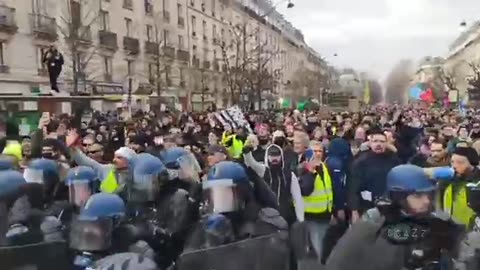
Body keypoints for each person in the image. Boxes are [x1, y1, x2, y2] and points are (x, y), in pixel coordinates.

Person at [326, 164, 462, 270]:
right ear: (399, 197)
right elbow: (339, 262)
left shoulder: (436, 223)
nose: (426, 200)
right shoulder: (373, 223)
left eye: (428, 194)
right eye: (418, 196)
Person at [348, 128, 401, 223]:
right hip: (367, 207)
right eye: (375, 141)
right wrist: (354, 211)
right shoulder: (360, 162)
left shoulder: (394, 160)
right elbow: (353, 188)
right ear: (370, 143)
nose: (378, 144)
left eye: (382, 141)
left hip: (390, 208)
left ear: (386, 144)